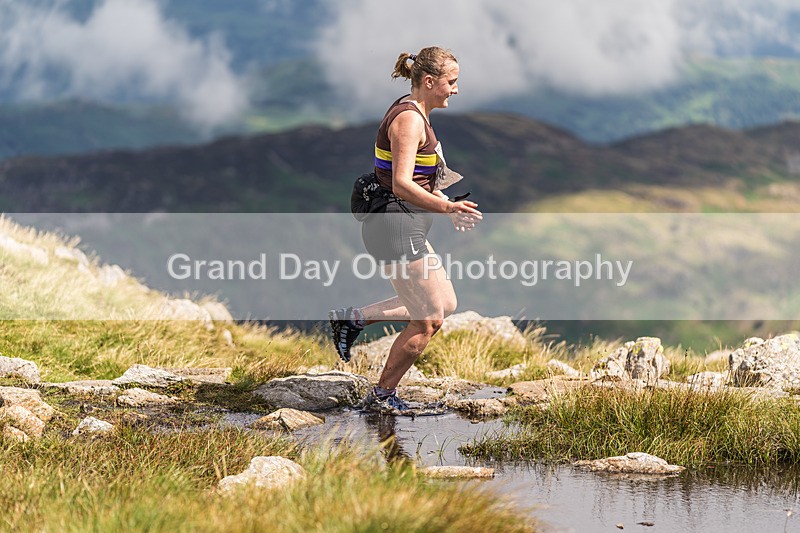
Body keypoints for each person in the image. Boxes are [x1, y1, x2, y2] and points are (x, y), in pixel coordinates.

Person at [330, 46, 482, 415]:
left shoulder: (418, 112)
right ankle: (381, 397)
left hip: (405, 226)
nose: (456, 90)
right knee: (428, 318)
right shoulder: (409, 120)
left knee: (444, 304)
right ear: (429, 82)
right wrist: (447, 207)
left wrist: (447, 204)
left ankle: (353, 318)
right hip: (394, 228)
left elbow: (417, 179)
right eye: (452, 82)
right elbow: (400, 183)